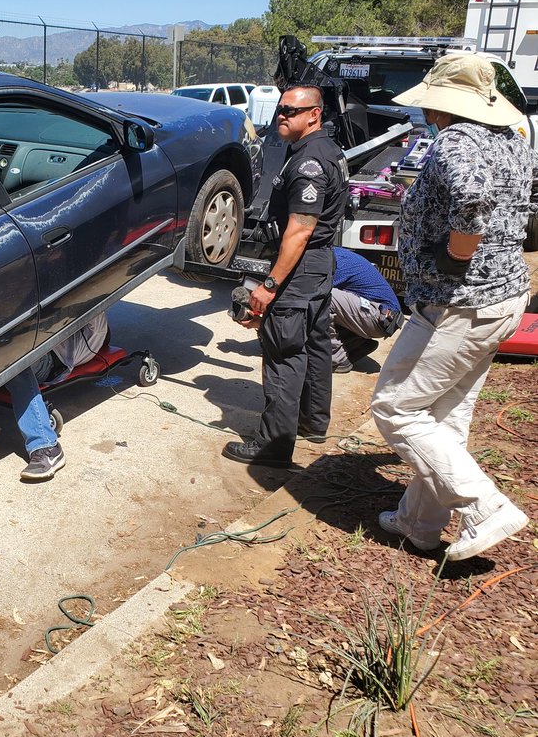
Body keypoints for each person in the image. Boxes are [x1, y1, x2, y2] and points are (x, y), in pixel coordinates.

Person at [371, 53, 538, 561]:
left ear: (446, 105)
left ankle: (484, 507)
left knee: (396, 409)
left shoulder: (458, 141)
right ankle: (419, 523)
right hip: (503, 296)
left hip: (459, 304)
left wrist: (454, 254)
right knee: (444, 416)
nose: (427, 113)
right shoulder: (512, 141)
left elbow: (471, 199)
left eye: (432, 104)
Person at [223, 85, 349, 468]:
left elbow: (300, 230)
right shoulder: (328, 151)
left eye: (290, 111)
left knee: (283, 352)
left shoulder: (309, 162)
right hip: (319, 266)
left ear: (313, 114)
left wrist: (269, 284)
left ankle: (273, 446)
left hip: (299, 266)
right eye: (279, 109)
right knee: (314, 343)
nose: (281, 116)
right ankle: (313, 423)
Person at [0, 313, 110, 482]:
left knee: (12, 361)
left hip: (51, 360)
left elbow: (90, 298)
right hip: (27, 344)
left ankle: (46, 447)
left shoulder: (95, 332)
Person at [330, 246, 404, 374]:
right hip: (381, 315)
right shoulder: (335, 253)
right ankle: (356, 343)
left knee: (322, 297)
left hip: (380, 316)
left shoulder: (332, 259)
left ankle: (337, 359)